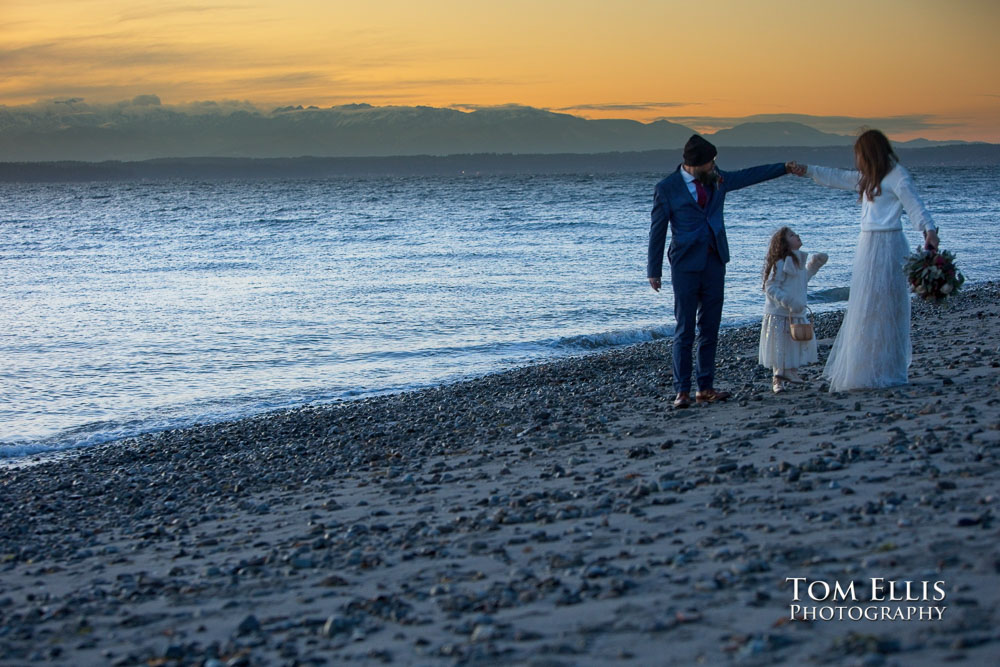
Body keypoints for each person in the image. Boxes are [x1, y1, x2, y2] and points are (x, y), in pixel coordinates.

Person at [647, 134, 798, 408]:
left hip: (715, 262)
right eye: (711, 163)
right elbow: (657, 231)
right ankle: (681, 391)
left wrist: (783, 168)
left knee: (710, 327)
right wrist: (653, 270)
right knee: (685, 330)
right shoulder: (667, 188)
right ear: (695, 164)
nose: (715, 167)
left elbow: (748, 176)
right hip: (684, 265)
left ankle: (705, 387)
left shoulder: (717, 179)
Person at [793, 129, 939, 391]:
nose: (856, 159)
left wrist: (929, 231)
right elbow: (838, 177)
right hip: (868, 245)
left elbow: (916, 206)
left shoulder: (898, 176)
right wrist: (807, 170)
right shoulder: (869, 179)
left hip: (890, 246)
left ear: (869, 153)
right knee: (867, 307)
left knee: (888, 306)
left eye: (859, 154)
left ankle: (889, 368)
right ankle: (867, 367)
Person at [759, 227, 828, 393]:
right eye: (791, 235)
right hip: (781, 312)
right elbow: (770, 286)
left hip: (795, 311)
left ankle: (790, 372)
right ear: (784, 244)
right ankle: (779, 378)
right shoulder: (781, 262)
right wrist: (788, 302)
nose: (797, 236)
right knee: (781, 345)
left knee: (794, 343)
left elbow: (803, 280)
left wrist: (815, 264)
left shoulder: (798, 260)